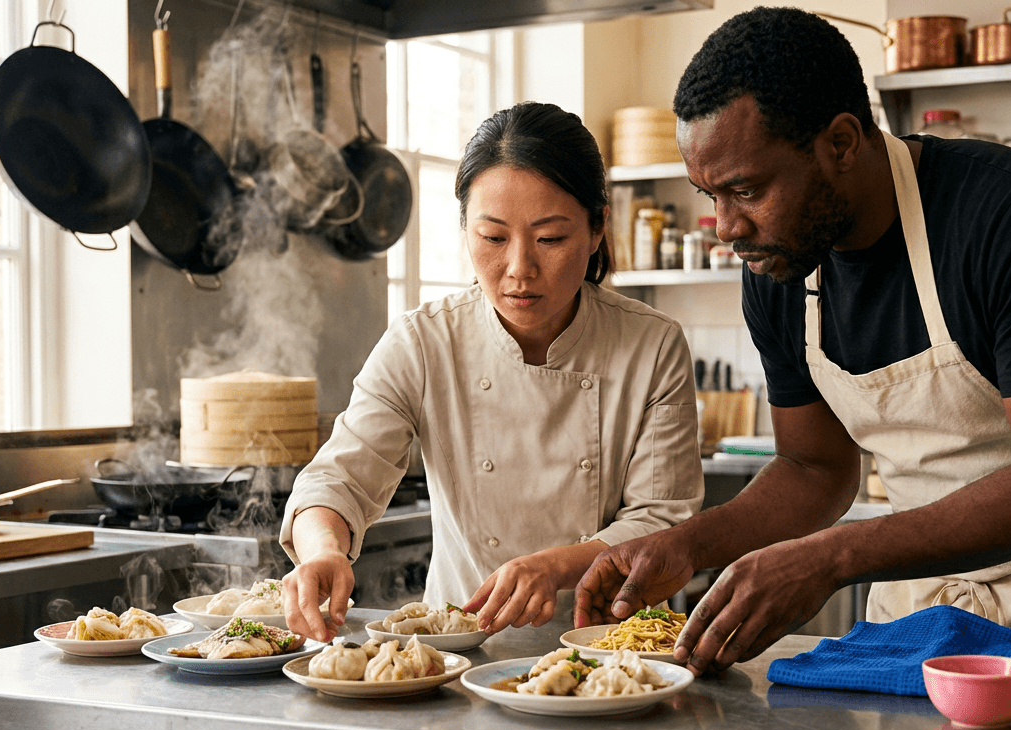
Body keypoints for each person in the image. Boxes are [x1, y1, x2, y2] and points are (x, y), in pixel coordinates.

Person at [575, 7, 1011, 675]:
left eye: (745, 190)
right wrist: (689, 545)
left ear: (840, 142)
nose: (726, 227)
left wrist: (833, 557)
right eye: (708, 194)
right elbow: (814, 468)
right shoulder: (779, 268)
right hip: (918, 595)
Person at [281, 102, 702, 642]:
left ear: (598, 228)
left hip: (612, 652)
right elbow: (338, 478)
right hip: (456, 648)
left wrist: (553, 566)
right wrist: (323, 551)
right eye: (494, 238)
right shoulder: (423, 342)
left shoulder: (652, 344)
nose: (520, 269)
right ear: (465, 228)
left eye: (550, 239)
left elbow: (663, 523)